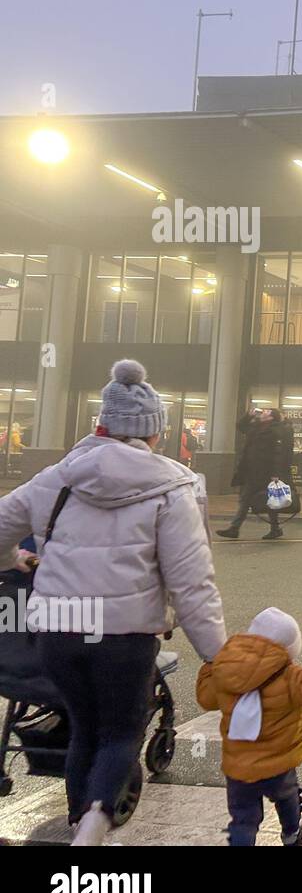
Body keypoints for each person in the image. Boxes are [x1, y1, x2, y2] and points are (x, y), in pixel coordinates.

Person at [0, 359, 226, 846]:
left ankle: (82, 821)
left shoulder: (55, 477)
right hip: (124, 636)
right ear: (154, 433)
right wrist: (218, 656)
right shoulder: (174, 488)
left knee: (84, 728)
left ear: (100, 425)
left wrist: (13, 558)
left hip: (57, 630)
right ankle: (93, 830)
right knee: (121, 733)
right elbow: (192, 584)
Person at [197, 607, 302, 847]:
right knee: (288, 798)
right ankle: (292, 834)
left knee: (243, 818)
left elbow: (206, 700)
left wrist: (209, 668)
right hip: (278, 764)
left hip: (239, 768)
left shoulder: (225, 668)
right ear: (289, 649)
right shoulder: (288, 675)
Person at [217, 407, 293, 541]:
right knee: (260, 501)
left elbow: (278, 454)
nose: (263, 412)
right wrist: (248, 415)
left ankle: (235, 529)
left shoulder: (275, 431)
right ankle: (273, 529)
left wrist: (275, 473)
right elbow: (240, 427)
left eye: (267, 412)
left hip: (264, 472)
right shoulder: (256, 427)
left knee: (253, 500)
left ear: (271, 417)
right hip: (251, 471)